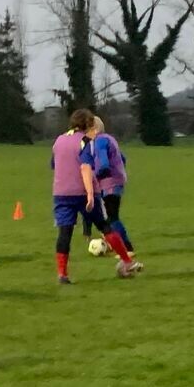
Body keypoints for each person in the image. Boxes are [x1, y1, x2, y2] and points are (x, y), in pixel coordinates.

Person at [50, 109, 140, 284]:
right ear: (88, 124)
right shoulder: (86, 142)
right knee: (104, 226)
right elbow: (85, 167)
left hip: (61, 193)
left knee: (64, 233)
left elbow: (54, 164)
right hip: (82, 193)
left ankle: (62, 274)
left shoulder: (59, 140)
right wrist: (91, 195)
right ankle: (127, 262)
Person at [80, 116, 134, 256]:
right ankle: (114, 244)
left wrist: (98, 174)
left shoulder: (99, 141)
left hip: (110, 184)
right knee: (110, 216)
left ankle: (127, 248)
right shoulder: (110, 139)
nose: (85, 133)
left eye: (87, 130)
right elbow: (123, 158)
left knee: (112, 217)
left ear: (95, 129)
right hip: (117, 181)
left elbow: (103, 164)